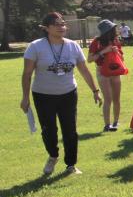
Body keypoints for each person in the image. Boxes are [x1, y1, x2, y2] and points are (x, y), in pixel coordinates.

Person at [20, 12, 102, 175]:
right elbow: (27, 74)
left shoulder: (73, 45)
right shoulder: (36, 46)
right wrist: (25, 97)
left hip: (68, 94)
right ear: (46, 28)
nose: (61, 27)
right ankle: (53, 155)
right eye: (56, 24)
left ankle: (71, 164)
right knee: (48, 130)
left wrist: (95, 90)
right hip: (43, 95)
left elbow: (84, 70)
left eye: (63, 23)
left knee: (70, 130)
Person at [88, 19, 127, 131]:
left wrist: (117, 52)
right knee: (108, 98)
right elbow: (90, 59)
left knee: (116, 98)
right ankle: (107, 124)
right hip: (102, 71)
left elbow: (122, 59)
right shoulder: (96, 42)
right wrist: (103, 52)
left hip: (115, 71)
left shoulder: (115, 40)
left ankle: (115, 122)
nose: (115, 31)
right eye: (112, 29)